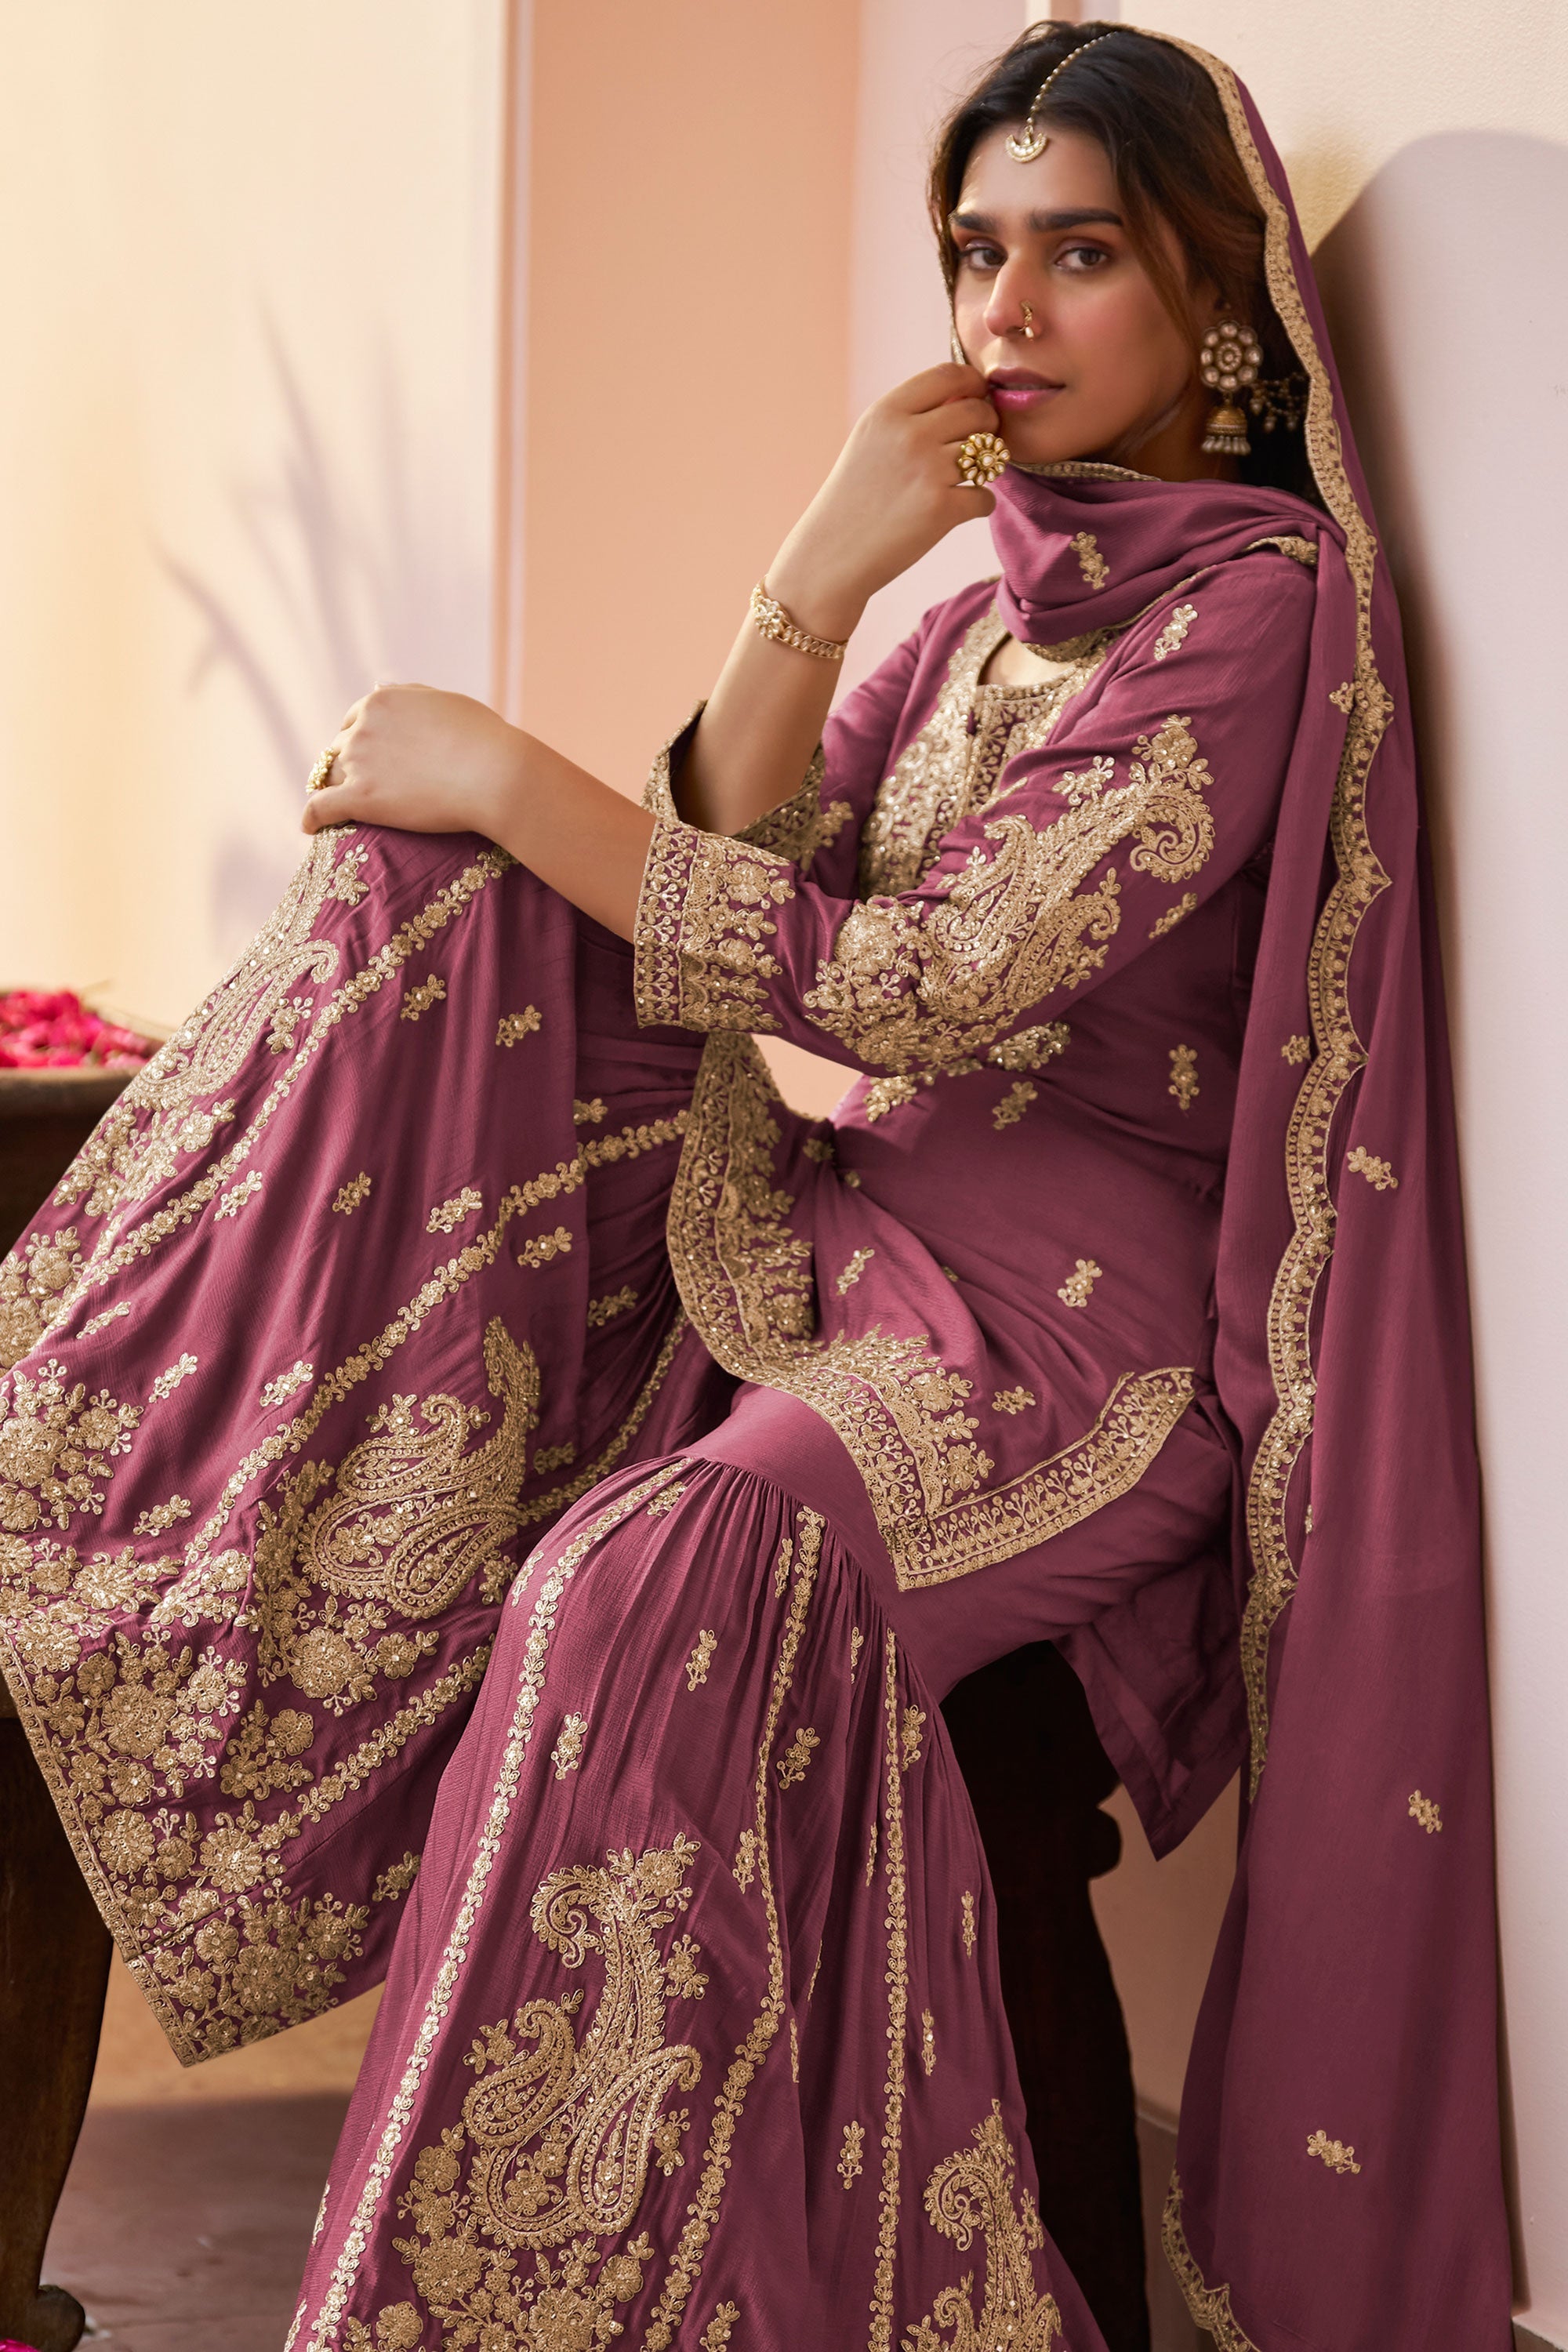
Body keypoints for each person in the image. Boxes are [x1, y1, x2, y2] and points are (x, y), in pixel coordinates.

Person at [0, 24, 1510, 2350]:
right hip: (844, 1252)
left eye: (1079, 254)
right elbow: (729, 866)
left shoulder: (1255, 609)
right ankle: (123, 1472)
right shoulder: (976, 612)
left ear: (1216, 301)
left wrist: (507, 765)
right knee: (440, 897)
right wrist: (819, 564)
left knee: (640, 1580)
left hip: (1070, 1363)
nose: (1003, 312)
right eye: (974, 252)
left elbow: (913, 980)